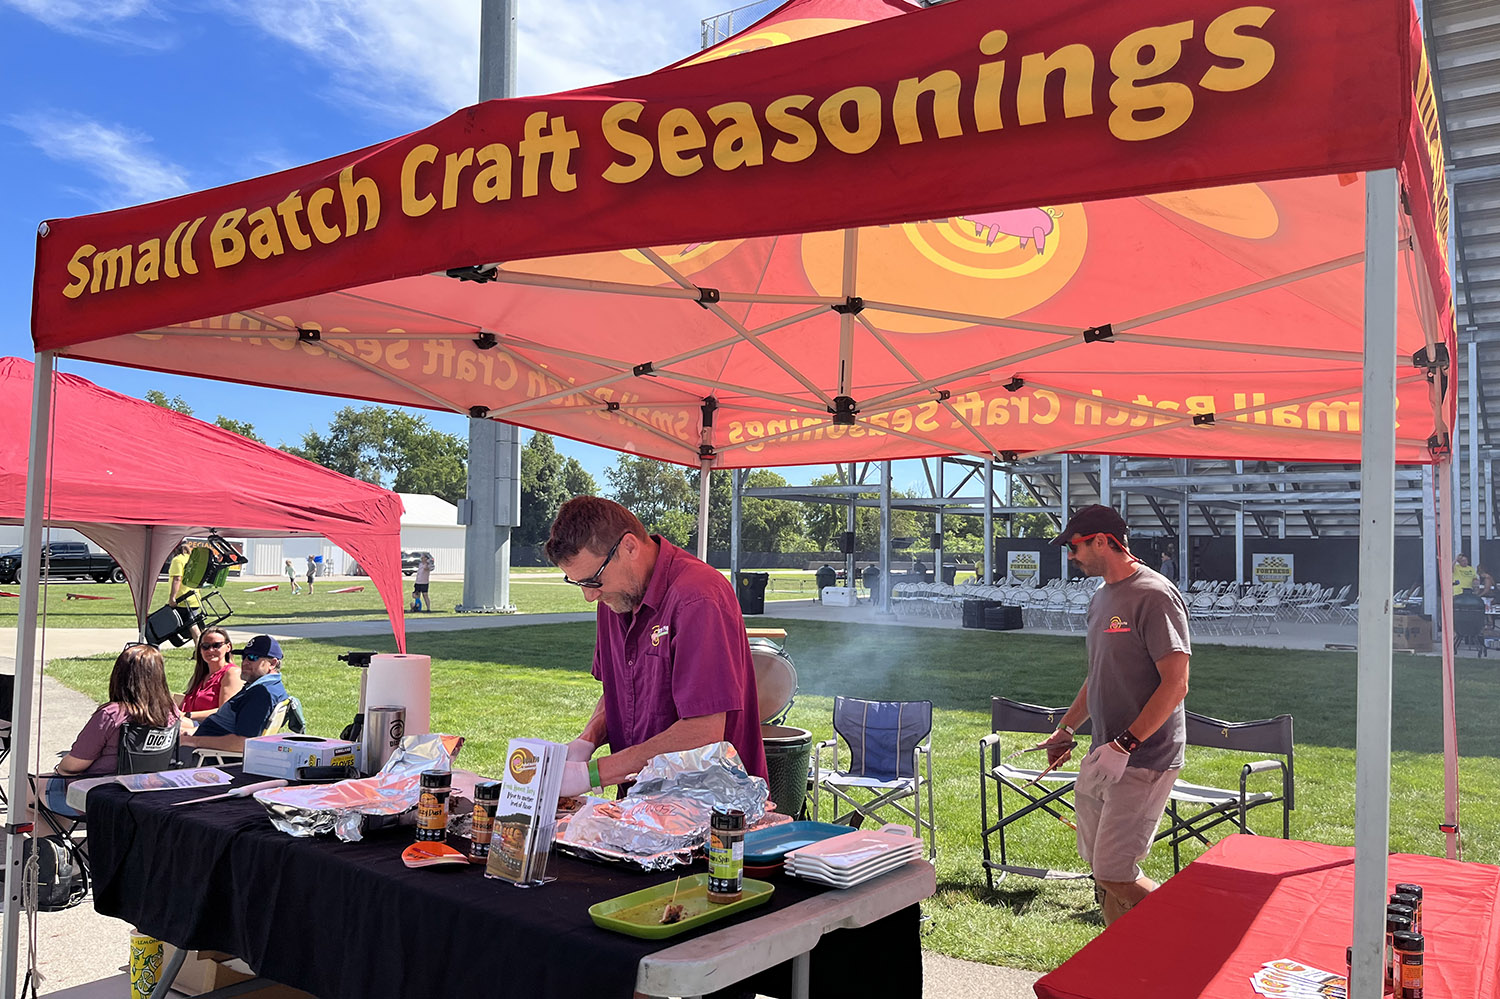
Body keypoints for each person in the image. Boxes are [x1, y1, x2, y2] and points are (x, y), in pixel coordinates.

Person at [544, 496, 767, 798]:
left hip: (712, 806)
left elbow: (703, 732)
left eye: (593, 580)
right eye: (579, 583)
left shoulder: (698, 597)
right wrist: (588, 739)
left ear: (629, 547)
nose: (588, 596)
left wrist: (594, 774)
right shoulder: (614, 600)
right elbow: (620, 692)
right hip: (643, 804)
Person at [1036, 504, 1191, 926]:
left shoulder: (1154, 594)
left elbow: (1176, 683)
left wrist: (1127, 742)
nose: (1071, 556)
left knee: (1114, 870)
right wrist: (1066, 729)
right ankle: (1119, 962)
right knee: (1102, 872)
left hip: (1143, 756)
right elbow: (1098, 676)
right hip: (1104, 751)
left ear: (1103, 541)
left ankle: (1188, 934)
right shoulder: (1101, 598)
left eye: (1076, 546)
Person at [32, 643, 179, 833]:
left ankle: (57, 852)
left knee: (27, 788)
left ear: (120, 675)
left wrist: (59, 769)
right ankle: (61, 848)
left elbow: (72, 766)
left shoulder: (112, 714)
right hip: (146, 795)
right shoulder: (172, 711)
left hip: (100, 795)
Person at [181, 635, 290, 756]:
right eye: (244, 657)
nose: (245, 662)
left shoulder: (262, 694)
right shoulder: (269, 685)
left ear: (272, 663)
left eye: (253, 657)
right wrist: (192, 732)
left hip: (208, 756)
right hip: (205, 739)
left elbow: (243, 742)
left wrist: (194, 741)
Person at [178, 627, 245, 722]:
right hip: (187, 725)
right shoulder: (201, 675)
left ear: (228, 647)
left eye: (217, 645)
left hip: (209, 729)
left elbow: (225, 712)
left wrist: (187, 715)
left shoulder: (232, 673)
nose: (210, 650)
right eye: (205, 646)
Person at [167, 543, 202, 641]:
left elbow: (177, 579)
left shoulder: (178, 560)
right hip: (194, 597)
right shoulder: (192, 560)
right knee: (193, 625)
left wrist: (172, 597)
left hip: (182, 599)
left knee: (192, 627)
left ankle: (200, 651)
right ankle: (198, 651)